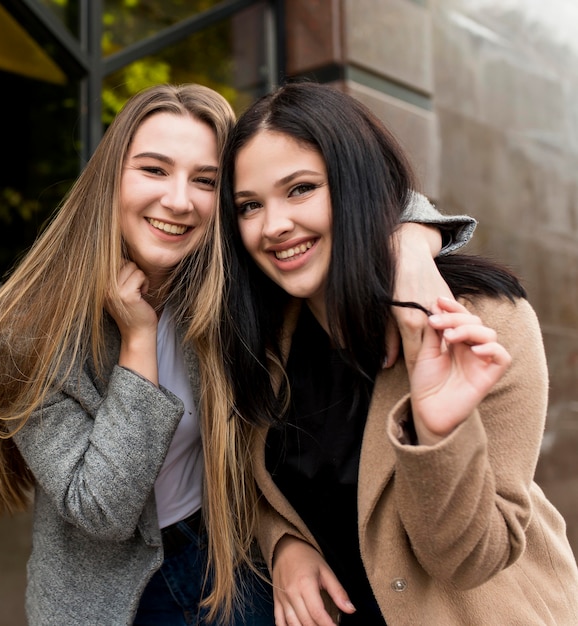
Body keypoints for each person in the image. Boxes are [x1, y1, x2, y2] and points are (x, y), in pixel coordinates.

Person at [0, 83, 475, 625]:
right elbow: (104, 510)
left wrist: (411, 244)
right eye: (154, 170)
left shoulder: (232, 283)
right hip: (110, 594)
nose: (179, 200)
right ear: (109, 181)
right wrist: (138, 344)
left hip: (231, 553)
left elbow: (357, 194)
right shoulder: (25, 337)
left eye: (204, 181)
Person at [216, 81, 578, 625]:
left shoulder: (481, 321)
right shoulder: (263, 341)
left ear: (356, 185)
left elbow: (472, 559)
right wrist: (284, 543)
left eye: (300, 189)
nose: (274, 226)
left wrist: (439, 432)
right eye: (249, 206)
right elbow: (249, 485)